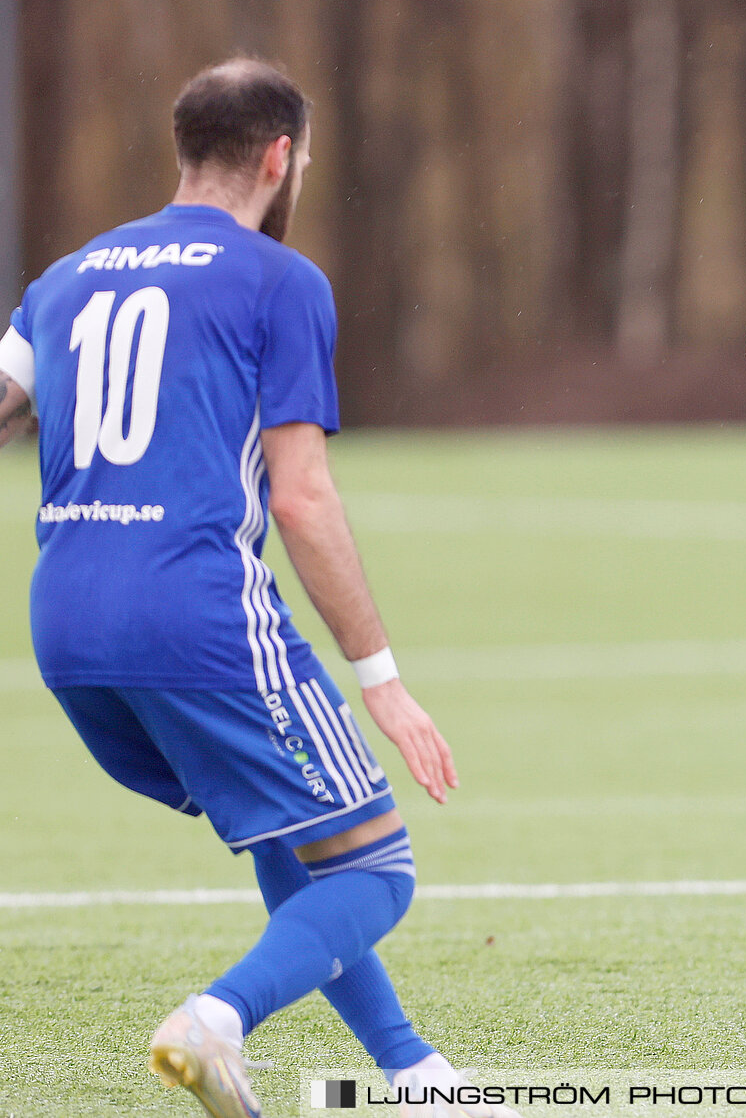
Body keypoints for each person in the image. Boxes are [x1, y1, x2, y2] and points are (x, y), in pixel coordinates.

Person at [0, 59, 515, 1117]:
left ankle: (415, 1077)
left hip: (66, 626)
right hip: (195, 615)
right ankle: (216, 1019)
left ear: (184, 149)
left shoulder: (66, 276)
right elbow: (303, 498)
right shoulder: (279, 281)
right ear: (281, 158)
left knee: (289, 831)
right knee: (376, 873)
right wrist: (380, 679)